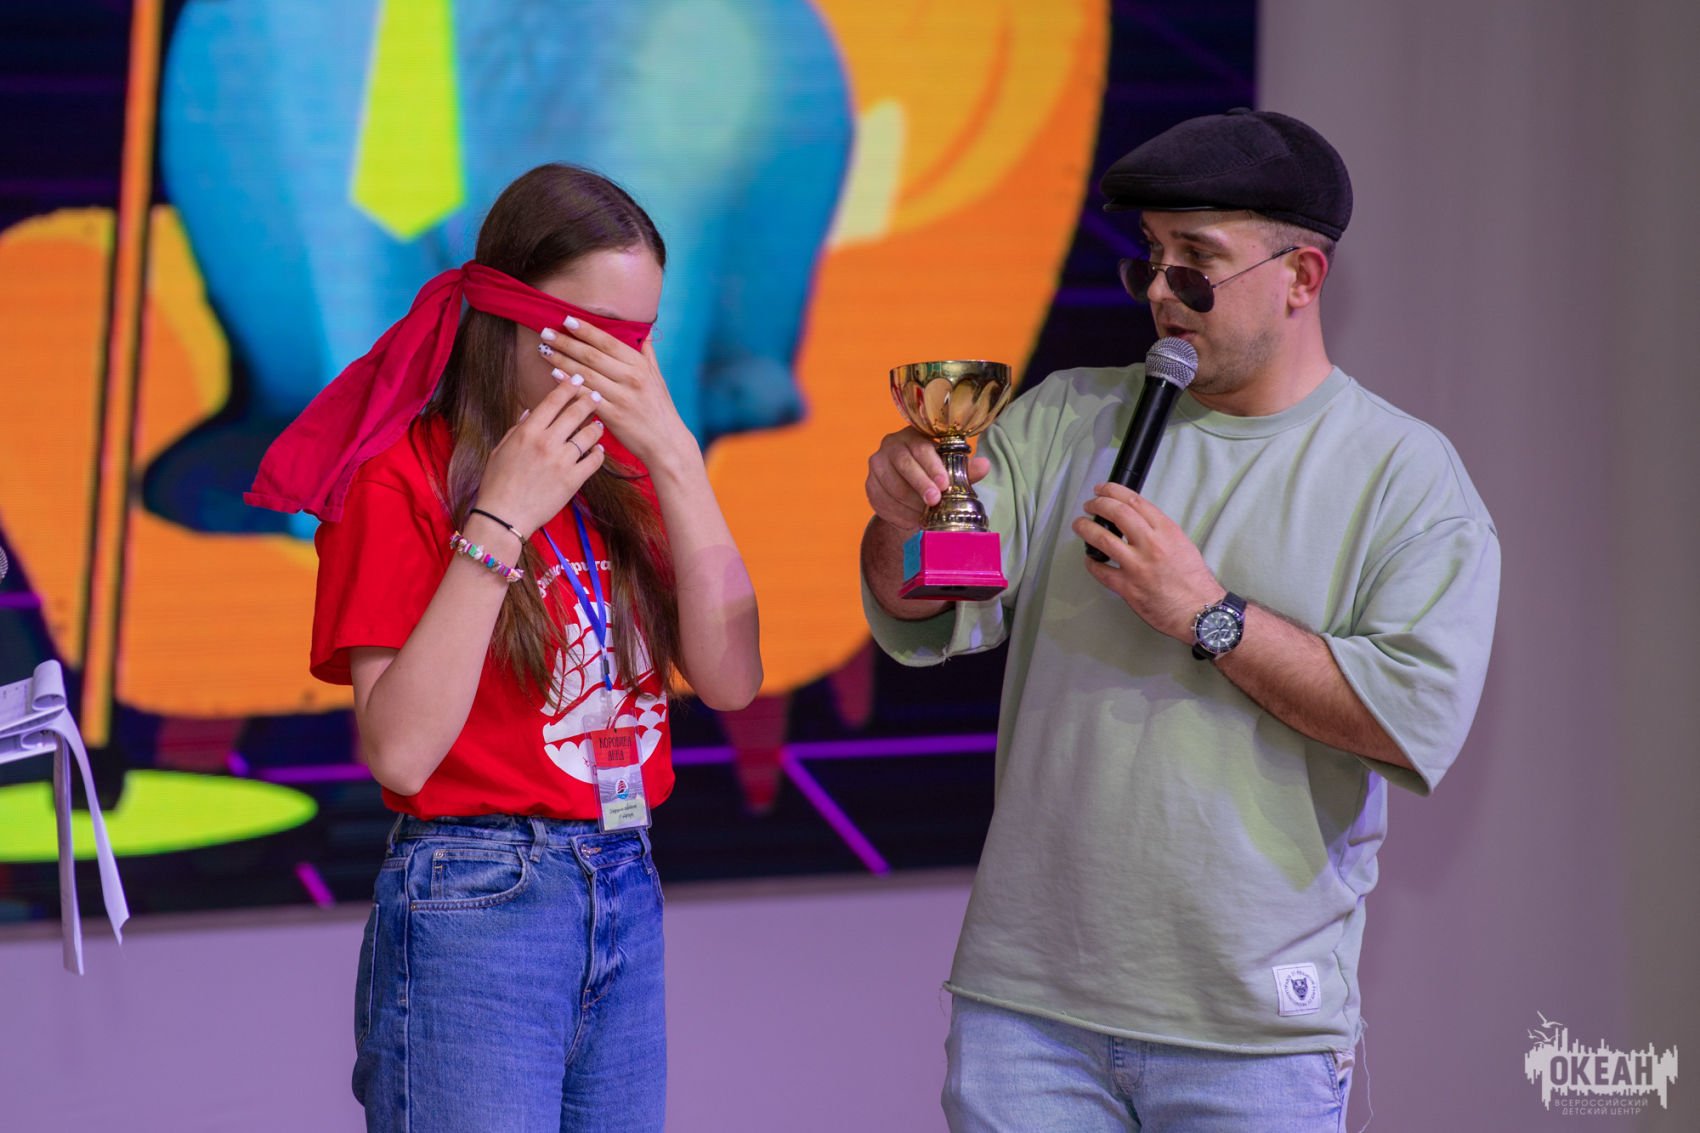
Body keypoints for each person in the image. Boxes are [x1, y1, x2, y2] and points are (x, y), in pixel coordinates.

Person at [860, 109, 1499, 1131]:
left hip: (1250, 1028)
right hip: (1027, 1012)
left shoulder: (1404, 476)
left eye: (1195, 265)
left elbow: (1408, 722)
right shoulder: (1066, 413)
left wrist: (1209, 614)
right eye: (1149, 260)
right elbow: (920, 602)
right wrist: (903, 517)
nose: (1161, 291)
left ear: (1301, 277)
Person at [247, 164, 763, 1132]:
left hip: (622, 870)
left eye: (637, 342)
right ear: (507, 314)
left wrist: (677, 459)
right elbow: (401, 752)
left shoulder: (628, 473)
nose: (616, 372)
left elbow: (732, 679)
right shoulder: (401, 475)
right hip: (477, 889)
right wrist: (500, 521)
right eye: (590, 338)